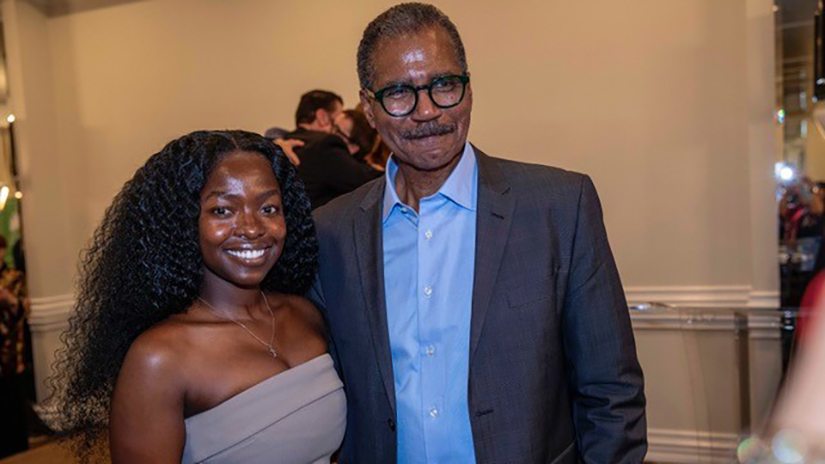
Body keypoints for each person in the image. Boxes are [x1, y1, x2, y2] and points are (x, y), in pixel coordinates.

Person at [310, 3, 646, 463]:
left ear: (468, 88)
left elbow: (611, 395)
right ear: (369, 108)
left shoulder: (559, 206)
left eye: (444, 85)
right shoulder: (330, 233)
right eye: (399, 93)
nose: (427, 111)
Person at [51, 130, 345, 463]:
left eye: (268, 208)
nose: (252, 227)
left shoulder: (305, 315)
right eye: (223, 211)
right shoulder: (158, 358)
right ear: (182, 222)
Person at [287, 90, 379, 209]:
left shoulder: (285, 142)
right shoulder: (325, 145)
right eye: (334, 124)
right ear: (322, 117)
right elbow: (371, 183)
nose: (332, 131)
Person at [0, 235, 29, 459]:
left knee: (12, 399)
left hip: (11, 350)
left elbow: (22, 310)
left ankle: (18, 448)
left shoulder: (14, 277)